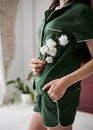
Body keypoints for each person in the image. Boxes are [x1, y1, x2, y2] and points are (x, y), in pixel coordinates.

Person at [28, 0, 93, 130]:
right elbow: (54, 48)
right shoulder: (54, 9)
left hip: (59, 93)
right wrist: (36, 62)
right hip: (43, 90)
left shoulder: (80, 11)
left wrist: (64, 83)